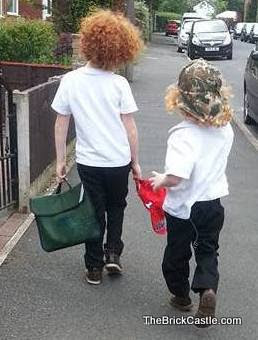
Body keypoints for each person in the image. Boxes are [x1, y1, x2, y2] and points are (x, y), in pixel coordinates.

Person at [52, 10, 143, 285]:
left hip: (89, 161)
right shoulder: (119, 84)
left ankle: (93, 267)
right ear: (120, 48)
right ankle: (112, 253)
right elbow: (130, 128)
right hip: (117, 160)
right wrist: (135, 162)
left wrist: (60, 161)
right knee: (117, 207)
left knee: (92, 212)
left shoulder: (71, 81)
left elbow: (60, 123)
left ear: (89, 44)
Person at [150, 59, 234, 327]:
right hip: (212, 205)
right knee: (207, 250)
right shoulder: (226, 129)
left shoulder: (182, 135)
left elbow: (177, 176)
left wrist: (161, 180)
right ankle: (207, 289)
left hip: (184, 208)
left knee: (177, 254)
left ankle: (181, 296)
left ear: (180, 100)